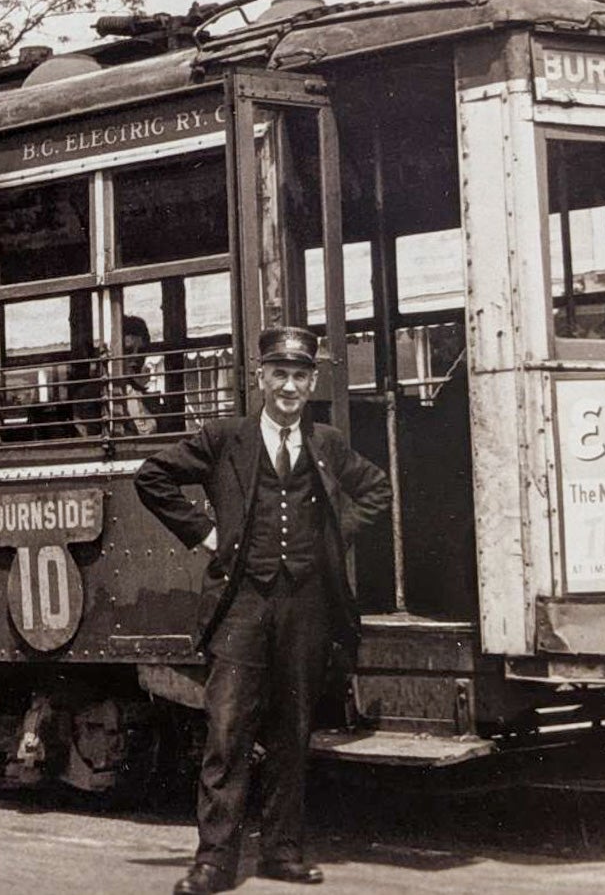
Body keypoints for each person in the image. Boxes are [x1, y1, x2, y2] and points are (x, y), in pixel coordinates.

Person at [134, 326, 391, 894]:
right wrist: (204, 533)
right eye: (279, 374)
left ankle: (282, 851)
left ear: (312, 382)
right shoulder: (226, 438)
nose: (289, 386)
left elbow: (376, 489)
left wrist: (333, 536)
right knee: (227, 732)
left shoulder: (326, 443)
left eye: (300, 376)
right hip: (242, 604)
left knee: (292, 732)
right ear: (260, 378)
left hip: (305, 605)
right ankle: (214, 862)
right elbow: (151, 476)